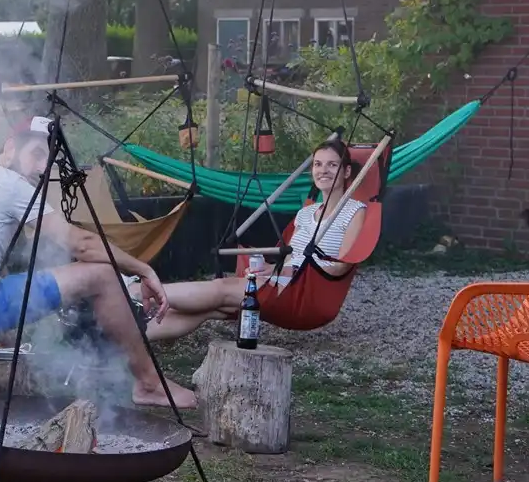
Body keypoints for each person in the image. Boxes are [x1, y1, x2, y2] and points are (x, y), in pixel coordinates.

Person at [0, 116, 196, 409]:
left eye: (49, 159)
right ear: (10, 148)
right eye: (36, 154)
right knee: (102, 275)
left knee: (18, 277)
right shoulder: (12, 186)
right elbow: (82, 244)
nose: (43, 168)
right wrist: (144, 269)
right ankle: (149, 384)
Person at [145, 138, 367, 342]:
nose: (323, 170)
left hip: (306, 294)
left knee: (221, 288)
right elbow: (291, 256)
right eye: (318, 164)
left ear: (347, 171)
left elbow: (342, 265)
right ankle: (131, 335)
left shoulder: (356, 211)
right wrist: (271, 267)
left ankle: (139, 293)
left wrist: (287, 272)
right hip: (284, 281)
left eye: (332, 165)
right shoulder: (306, 213)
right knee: (211, 308)